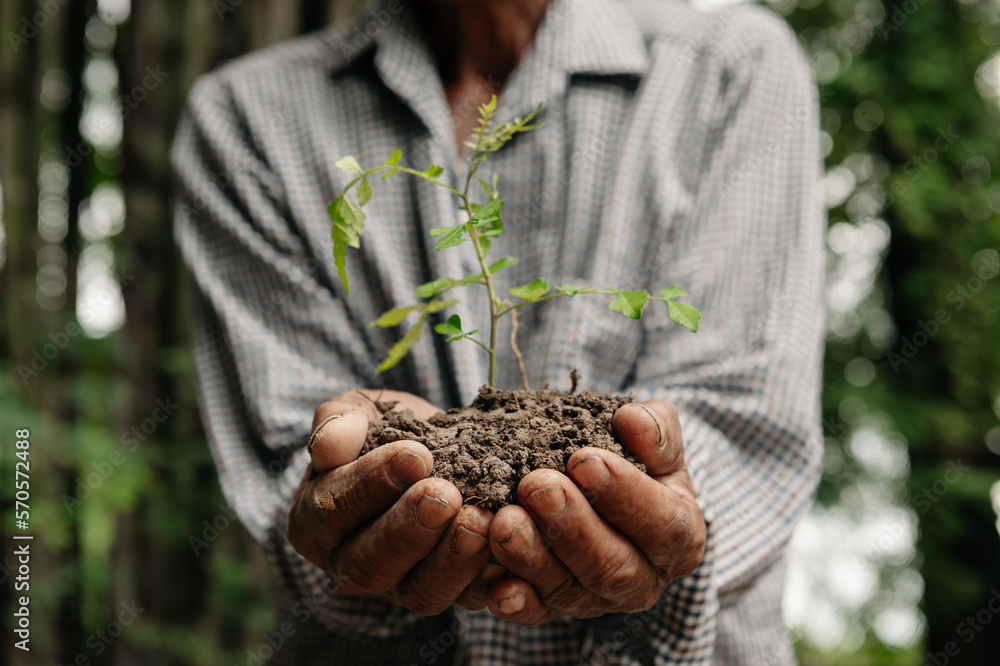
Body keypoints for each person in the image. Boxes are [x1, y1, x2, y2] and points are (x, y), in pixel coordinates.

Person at [172, 0, 825, 663]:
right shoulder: (249, 117)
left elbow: (746, 429)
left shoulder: (728, 66)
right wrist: (341, 494)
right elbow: (297, 479)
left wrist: (658, 504)